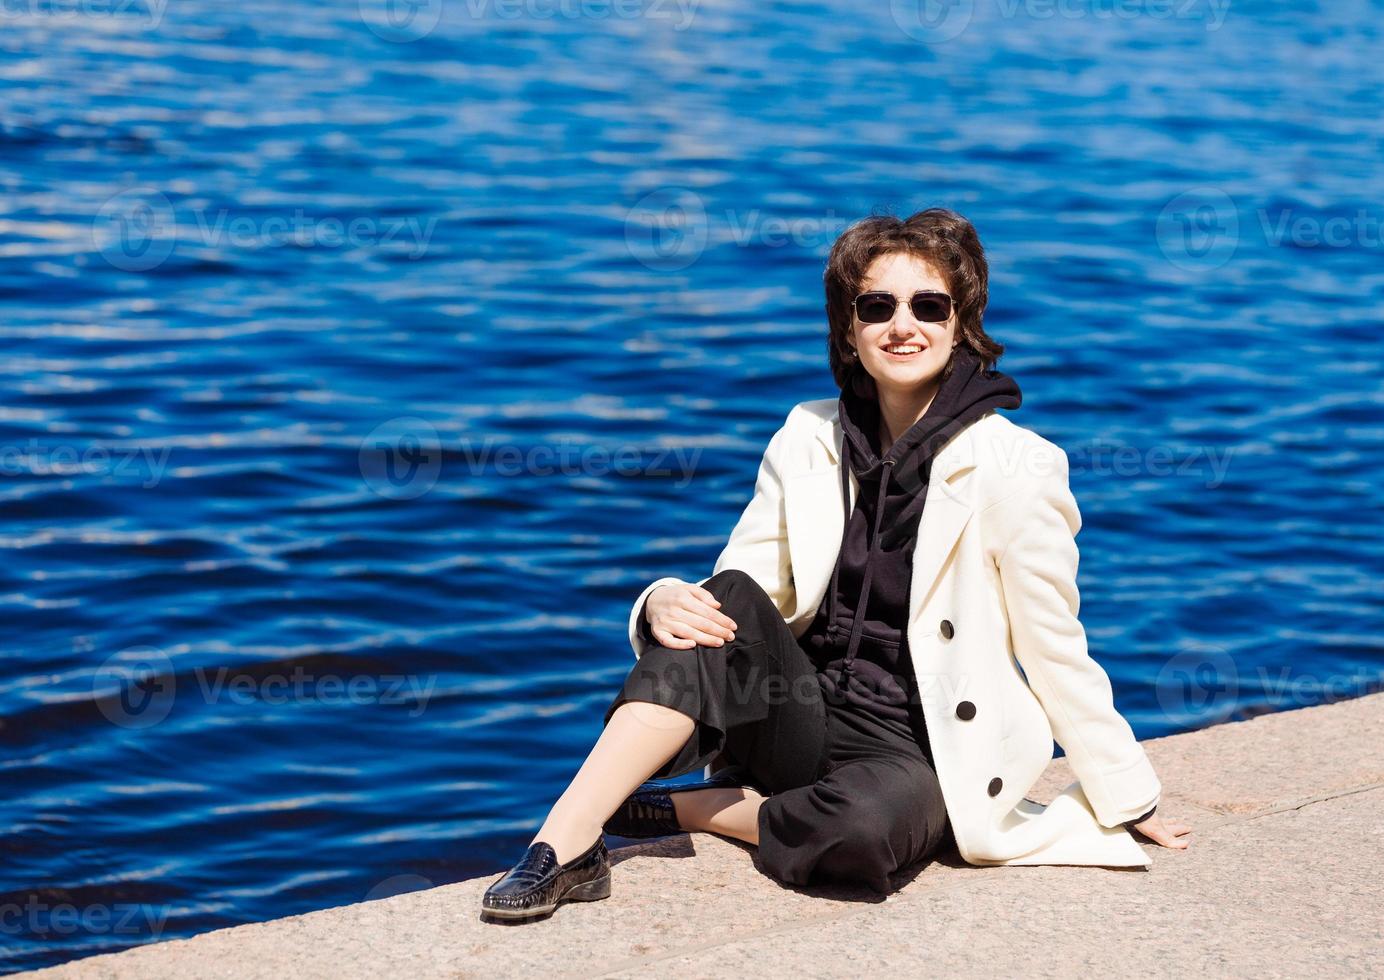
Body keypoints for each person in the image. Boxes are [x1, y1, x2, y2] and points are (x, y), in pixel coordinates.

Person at [480, 208, 1192, 923]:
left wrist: (1126, 793)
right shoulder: (807, 434)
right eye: (876, 306)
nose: (901, 325)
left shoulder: (1017, 467)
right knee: (712, 602)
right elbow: (743, 588)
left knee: (862, 836)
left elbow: (1055, 646)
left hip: (920, 744)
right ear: (850, 330)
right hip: (798, 710)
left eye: (929, 306)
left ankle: (702, 809)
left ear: (961, 325)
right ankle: (562, 847)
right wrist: (662, 600)